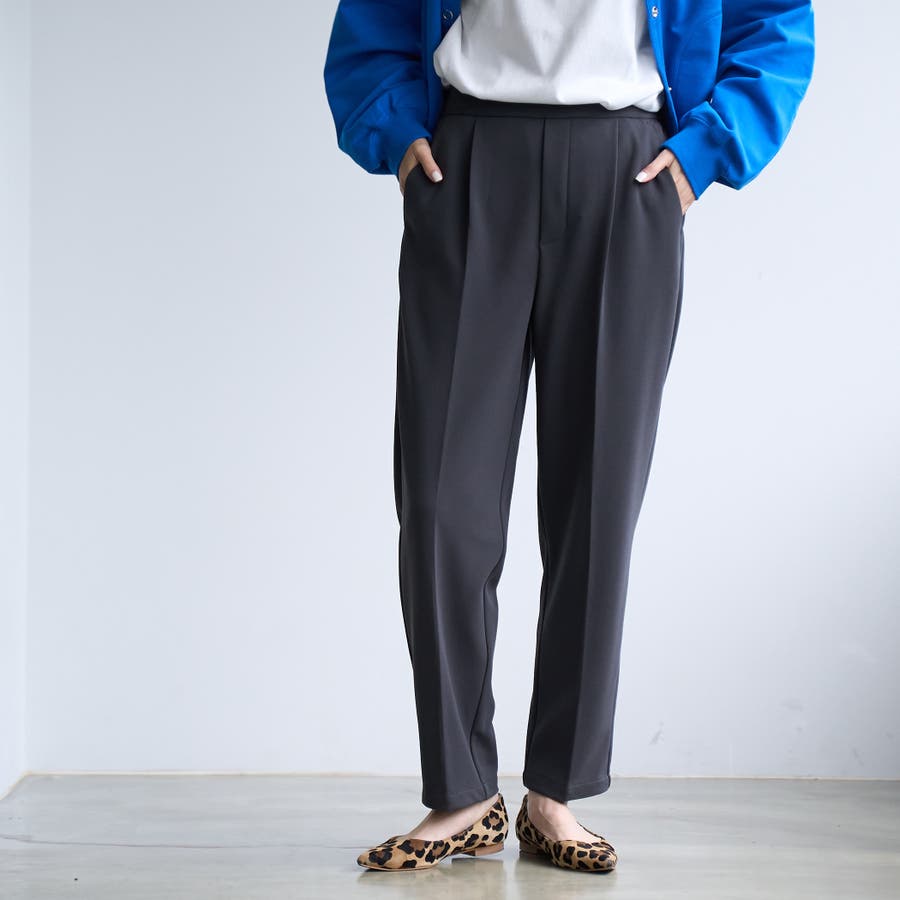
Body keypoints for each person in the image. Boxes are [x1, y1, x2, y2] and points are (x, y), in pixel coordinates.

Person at [323, 0, 815, 874]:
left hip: (628, 167)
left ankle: (556, 791)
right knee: (439, 501)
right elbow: (371, 19)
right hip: (467, 155)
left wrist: (705, 152)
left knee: (597, 500)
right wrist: (395, 133)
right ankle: (463, 791)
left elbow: (775, 23)